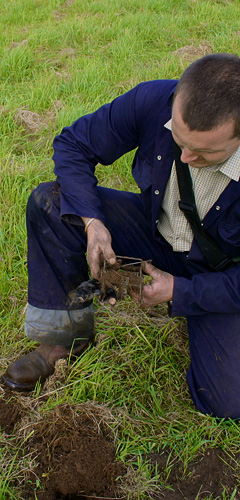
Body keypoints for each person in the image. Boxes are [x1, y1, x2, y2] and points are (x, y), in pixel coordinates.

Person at [2, 53, 240, 419]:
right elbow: (73, 145)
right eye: (178, 140)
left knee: (227, 402)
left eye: (206, 152)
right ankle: (64, 339)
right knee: (51, 203)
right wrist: (92, 223)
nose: (187, 157)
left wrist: (182, 291)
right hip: (160, 236)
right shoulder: (154, 101)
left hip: (223, 276)